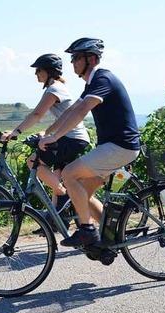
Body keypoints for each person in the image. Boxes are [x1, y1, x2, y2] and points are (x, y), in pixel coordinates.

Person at [39, 37, 141, 247]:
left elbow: (83, 111)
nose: (72, 62)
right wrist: (49, 133)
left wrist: (55, 138)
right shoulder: (92, 83)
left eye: (76, 57)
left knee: (68, 174)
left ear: (91, 59)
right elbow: (72, 110)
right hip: (112, 147)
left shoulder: (103, 79)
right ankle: (110, 239)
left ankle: (87, 231)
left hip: (120, 147)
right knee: (81, 194)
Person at [0, 53, 91, 219]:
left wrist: (15, 132)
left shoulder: (54, 89)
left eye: (38, 70)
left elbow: (37, 114)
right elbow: (63, 116)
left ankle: (64, 194)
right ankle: (56, 219)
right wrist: (46, 133)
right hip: (71, 137)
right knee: (57, 175)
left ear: (49, 71)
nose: (36, 74)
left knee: (32, 161)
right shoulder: (56, 87)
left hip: (72, 138)